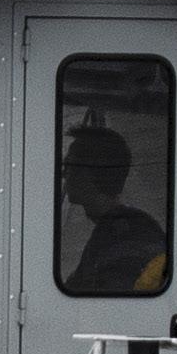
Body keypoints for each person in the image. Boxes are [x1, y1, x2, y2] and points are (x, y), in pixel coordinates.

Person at [54, 110, 169, 299]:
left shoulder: (127, 238)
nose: (64, 174)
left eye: (69, 166)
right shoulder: (115, 229)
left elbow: (107, 305)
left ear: (91, 173)